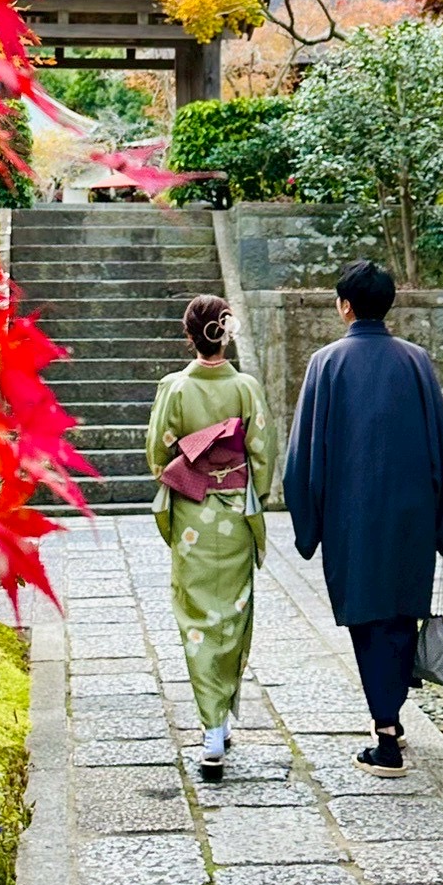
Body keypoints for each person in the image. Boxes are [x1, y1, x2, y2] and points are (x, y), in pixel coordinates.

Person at [282, 259, 443, 777]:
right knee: (402, 610)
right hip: (410, 513)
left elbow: (303, 456)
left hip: (351, 517)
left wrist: (308, 521)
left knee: (366, 616)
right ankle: (394, 717)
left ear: (345, 307)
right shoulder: (417, 361)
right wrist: (442, 511)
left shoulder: (326, 363)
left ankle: (385, 735)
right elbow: (440, 445)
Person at [146, 295, 276, 783]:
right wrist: (249, 492)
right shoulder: (245, 388)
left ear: (189, 334)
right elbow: (261, 453)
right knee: (233, 614)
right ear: (227, 332)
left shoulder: (174, 388)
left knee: (196, 618)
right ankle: (219, 721)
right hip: (236, 515)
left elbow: (158, 455)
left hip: (193, 521)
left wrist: (191, 472)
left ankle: (211, 729)